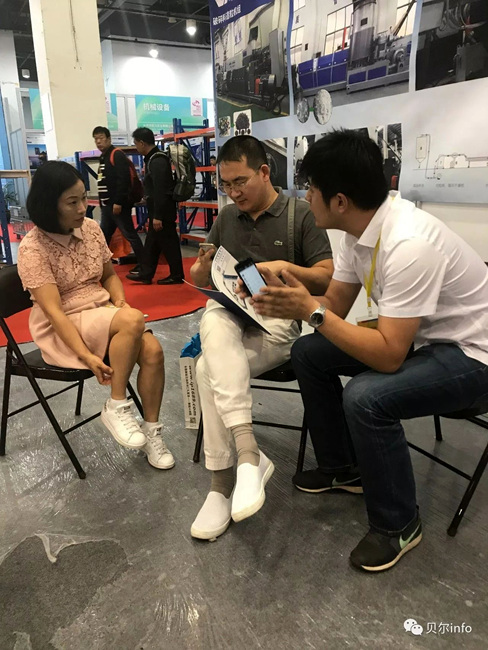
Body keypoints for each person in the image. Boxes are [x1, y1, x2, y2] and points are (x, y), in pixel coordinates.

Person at [250, 129, 488, 572]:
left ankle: (399, 523)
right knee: (309, 352)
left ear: (340, 200)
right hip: (422, 338)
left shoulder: (409, 243)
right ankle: (343, 468)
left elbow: (388, 356)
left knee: (366, 397)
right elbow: (334, 306)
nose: (306, 196)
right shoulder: (357, 232)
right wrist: (293, 295)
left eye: (312, 188)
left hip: (473, 356)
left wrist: (309, 311)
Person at [189, 135, 334, 541]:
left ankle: (221, 485)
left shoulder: (300, 214)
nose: (233, 193)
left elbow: (326, 277)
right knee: (215, 314)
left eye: (240, 182)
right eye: (225, 185)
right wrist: (202, 269)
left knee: (205, 370)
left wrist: (283, 267)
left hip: (278, 323)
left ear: (265, 172)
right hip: (233, 316)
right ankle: (247, 456)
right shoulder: (226, 217)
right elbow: (205, 276)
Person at [17, 161, 175, 471]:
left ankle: (152, 432)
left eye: (83, 198)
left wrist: (119, 302)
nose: (83, 208)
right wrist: (88, 357)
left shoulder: (90, 229)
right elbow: (54, 313)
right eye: (72, 202)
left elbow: (110, 276)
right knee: (131, 320)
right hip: (63, 325)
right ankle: (116, 403)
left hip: (101, 312)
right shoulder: (32, 248)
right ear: (49, 204)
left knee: (153, 351)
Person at [126, 127, 185, 285]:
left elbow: (161, 190)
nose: (136, 147)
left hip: (162, 212)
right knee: (153, 243)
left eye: (136, 144)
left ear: (142, 143)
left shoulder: (157, 161)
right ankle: (146, 273)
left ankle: (176, 275)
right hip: (159, 210)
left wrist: (158, 216)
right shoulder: (155, 159)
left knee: (169, 243)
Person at [92, 126, 144, 271]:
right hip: (107, 206)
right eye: (96, 139)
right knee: (104, 236)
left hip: (117, 206)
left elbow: (124, 180)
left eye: (101, 138)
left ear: (109, 139)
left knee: (130, 234)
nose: (98, 141)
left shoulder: (116, 155)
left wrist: (118, 202)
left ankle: (144, 264)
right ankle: (99, 265)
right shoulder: (104, 156)